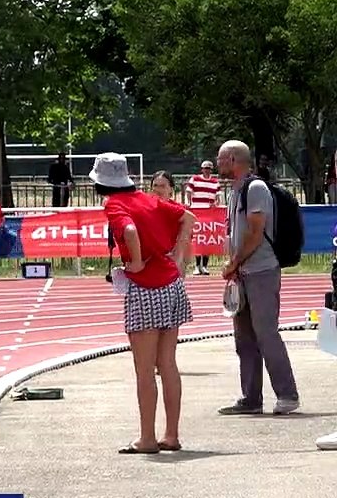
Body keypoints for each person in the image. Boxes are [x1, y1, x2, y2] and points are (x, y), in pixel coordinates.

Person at [91, 153, 195, 454]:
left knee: (144, 370)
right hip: (171, 283)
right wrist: (176, 255)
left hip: (145, 287)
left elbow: (130, 231)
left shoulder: (114, 204)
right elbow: (188, 218)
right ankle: (171, 434)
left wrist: (135, 263)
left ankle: (147, 438)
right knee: (168, 364)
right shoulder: (148, 199)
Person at [216, 140, 300, 416]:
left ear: (232, 159)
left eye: (220, 159)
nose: (217, 165)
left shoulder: (256, 189)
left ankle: (287, 395)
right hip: (243, 273)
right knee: (244, 339)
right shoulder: (235, 192)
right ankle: (251, 398)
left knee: (266, 334)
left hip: (262, 270)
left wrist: (235, 261)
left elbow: (255, 232)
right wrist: (234, 265)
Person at [184, 160, 218, 275]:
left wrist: (216, 203)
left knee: (207, 240)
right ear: (202, 169)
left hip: (209, 213)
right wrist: (189, 203)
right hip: (197, 212)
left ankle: (205, 266)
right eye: (205, 168)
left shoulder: (215, 182)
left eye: (209, 168)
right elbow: (188, 191)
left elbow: (218, 196)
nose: (207, 170)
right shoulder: (195, 179)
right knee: (198, 239)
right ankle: (197, 266)